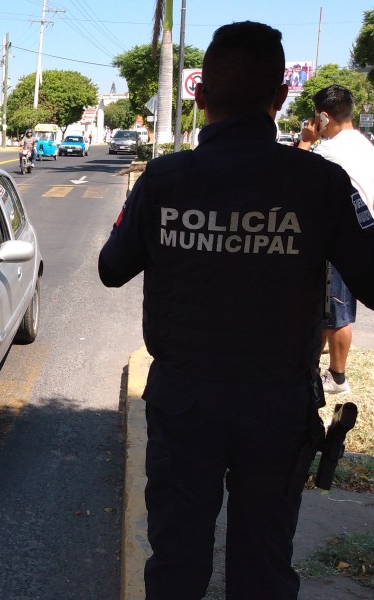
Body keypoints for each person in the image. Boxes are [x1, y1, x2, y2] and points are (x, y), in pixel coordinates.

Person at [98, 21, 374, 600]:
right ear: (280, 98)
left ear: (198, 96)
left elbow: (110, 267)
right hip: (276, 406)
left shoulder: (165, 178)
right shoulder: (321, 182)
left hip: (185, 403)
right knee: (264, 565)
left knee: (176, 562)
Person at [298, 85, 374, 395]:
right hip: (364, 233)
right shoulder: (364, 144)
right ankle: (332, 375)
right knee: (342, 310)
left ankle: (331, 378)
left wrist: (305, 140)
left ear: (324, 117)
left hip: (341, 237)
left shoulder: (328, 151)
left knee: (333, 313)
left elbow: (294, 173)